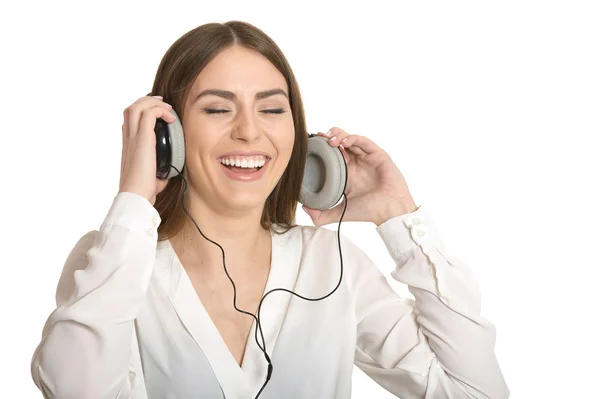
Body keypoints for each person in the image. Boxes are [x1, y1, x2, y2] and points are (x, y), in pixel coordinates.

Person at [30, 20, 509, 399]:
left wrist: (399, 215)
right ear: (167, 134)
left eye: (272, 109)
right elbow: (76, 389)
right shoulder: (116, 261)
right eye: (218, 109)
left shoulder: (330, 266)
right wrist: (134, 201)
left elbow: (474, 393)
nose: (249, 132)